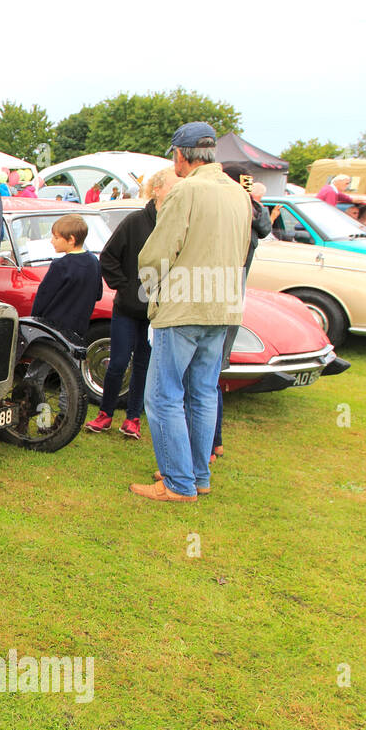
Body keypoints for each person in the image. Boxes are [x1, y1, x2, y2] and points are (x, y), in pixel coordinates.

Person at [131, 121, 251, 502]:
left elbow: (158, 252)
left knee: (163, 396)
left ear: (180, 154)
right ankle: (196, 475)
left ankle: (179, 483)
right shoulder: (238, 193)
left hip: (184, 306)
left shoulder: (185, 190)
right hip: (224, 305)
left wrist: (151, 290)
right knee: (202, 394)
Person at [86, 167, 178, 440]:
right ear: (158, 189)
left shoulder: (177, 225)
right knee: (117, 363)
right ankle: (105, 414)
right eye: (173, 187)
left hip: (158, 311)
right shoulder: (134, 222)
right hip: (127, 308)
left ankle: (134, 418)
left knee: (144, 364)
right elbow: (108, 257)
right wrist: (125, 287)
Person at [208, 177, 273, 464]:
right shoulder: (252, 218)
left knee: (203, 380)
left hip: (217, 305)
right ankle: (214, 442)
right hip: (231, 303)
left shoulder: (233, 224)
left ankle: (209, 444)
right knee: (210, 378)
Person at [29, 214, 102, 345]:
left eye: (56, 237)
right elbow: (98, 294)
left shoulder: (60, 266)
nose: (52, 241)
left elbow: (43, 297)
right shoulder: (94, 261)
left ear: (71, 240)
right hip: (79, 328)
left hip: (53, 329)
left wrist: (34, 321)